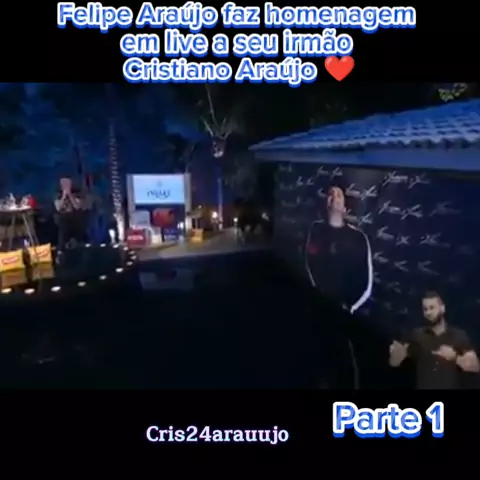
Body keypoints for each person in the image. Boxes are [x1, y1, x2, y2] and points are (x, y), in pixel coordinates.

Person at [389, 291, 479, 389]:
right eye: (425, 309)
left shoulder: (459, 335)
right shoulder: (416, 335)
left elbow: (475, 367)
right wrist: (397, 355)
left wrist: (455, 358)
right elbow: (394, 363)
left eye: (432, 308)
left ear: (442, 308)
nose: (428, 312)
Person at [304, 186, 373, 313]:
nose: (334, 197)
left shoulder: (358, 237)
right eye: (330, 194)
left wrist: (350, 307)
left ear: (345, 208)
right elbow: (308, 264)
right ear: (325, 203)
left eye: (339, 195)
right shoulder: (315, 230)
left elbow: (366, 280)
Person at [54, 177, 86, 248]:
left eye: (67, 184)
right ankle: (62, 248)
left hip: (75, 217)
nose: (66, 186)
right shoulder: (58, 196)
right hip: (64, 218)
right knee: (63, 224)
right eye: (64, 184)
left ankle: (80, 244)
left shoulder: (76, 194)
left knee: (80, 220)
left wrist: (70, 195)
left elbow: (77, 206)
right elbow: (58, 208)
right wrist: (64, 196)